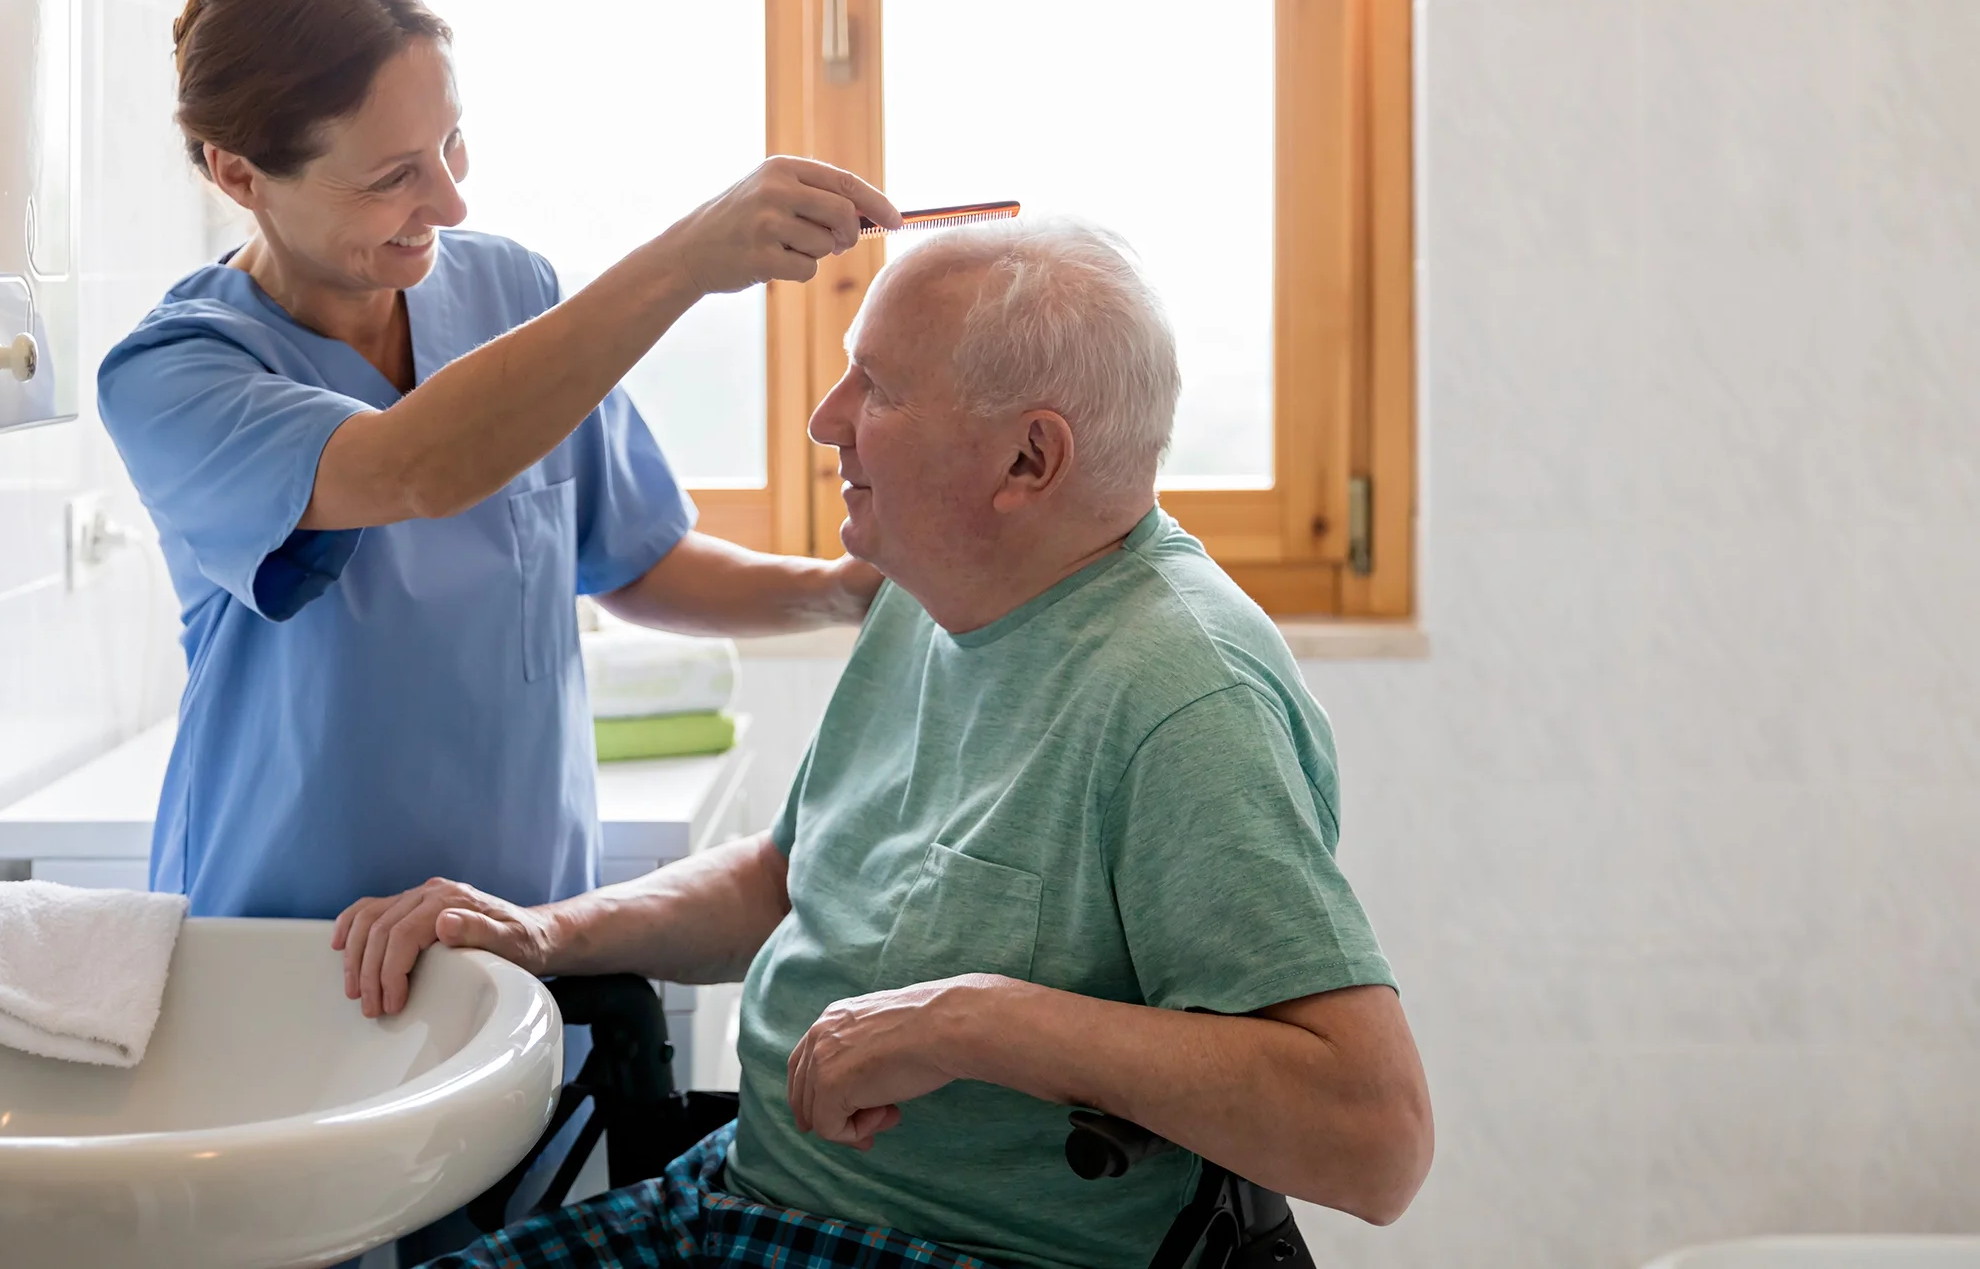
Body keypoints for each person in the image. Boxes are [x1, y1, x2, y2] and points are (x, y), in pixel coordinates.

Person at [350, 219, 1434, 1269]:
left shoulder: (1183, 695)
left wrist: (975, 1022)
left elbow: (1376, 1142)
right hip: (747, 1198)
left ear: (1028, 458)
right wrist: (548, 933)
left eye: (879, 388)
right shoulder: (936, 590)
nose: (827, 421)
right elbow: (790, 876)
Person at [96, 0, 899, 961]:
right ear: (239, 174)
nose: (450, 202)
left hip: (522, 930)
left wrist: (839, 594)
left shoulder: (512, 296)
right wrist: (690, 259)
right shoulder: (177, 375)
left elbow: (635, 562)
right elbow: (408, 469)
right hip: (290, 954)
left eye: (452, 144)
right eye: (394, 176)